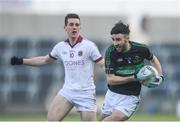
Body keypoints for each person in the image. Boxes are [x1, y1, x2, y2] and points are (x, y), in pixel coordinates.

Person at [11, 13, 104, 121]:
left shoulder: (89, 46)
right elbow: (44, 60)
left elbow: (102, 63)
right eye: (71, 24)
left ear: (80, 27)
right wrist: (21, 61)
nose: (74, 27)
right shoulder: (60, 47)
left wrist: (111, 70)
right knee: (51, 120)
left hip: (86, 93)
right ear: (65, 27)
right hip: (67, 91)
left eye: (77, 25)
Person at [100, 21, 164, 121]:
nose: (115, 43)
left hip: (130, 97)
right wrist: (135, 77)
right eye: (113, 40)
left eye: (118, 39)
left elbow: (153, 59)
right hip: (112, 94)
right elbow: (111, 80)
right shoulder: (110, 52)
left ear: (127, 38)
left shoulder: (142, 49)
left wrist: (160, 75)